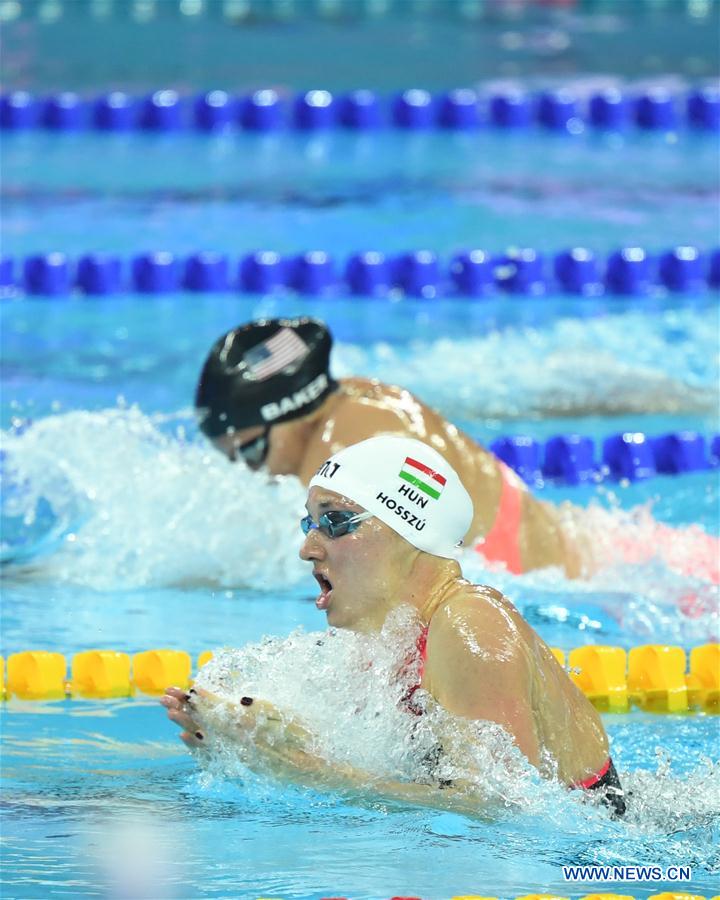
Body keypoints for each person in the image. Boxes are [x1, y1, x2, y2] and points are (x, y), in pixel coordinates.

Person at [162, 436, 626, 817]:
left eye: (335, 522)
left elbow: (511, 816)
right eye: (310, 522)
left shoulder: (469, 626)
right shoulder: (393, 639)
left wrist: (310, 773)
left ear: (410, 530)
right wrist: (258, 749)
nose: (308, 548)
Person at [195, 317, 582, 577]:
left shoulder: (341, 455)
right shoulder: (360, 395)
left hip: (518, 573)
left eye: (250, 453)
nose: (249, 472)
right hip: (563, 542)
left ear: (290, 412)